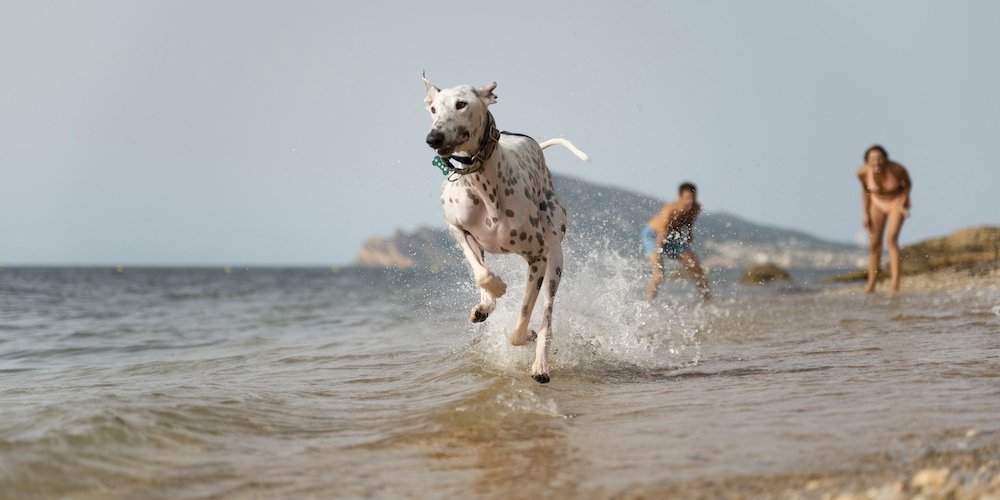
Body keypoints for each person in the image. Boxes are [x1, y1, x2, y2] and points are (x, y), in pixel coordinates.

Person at [856, 144, 912, 293]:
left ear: (886, 159)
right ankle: (871, 285)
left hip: (896, 201)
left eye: (880, 158)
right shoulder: (861, 172)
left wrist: (904, 201)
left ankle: (894, 285)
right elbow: (865, 191)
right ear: (867, 161)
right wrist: (865, 213)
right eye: (872, 159)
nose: (877, 162)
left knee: (891, 239)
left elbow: (908, 184)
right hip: (877, 202)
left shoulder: (897, 169)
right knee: (874, 244)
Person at [643, 182, 711, 303]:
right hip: (654, 236)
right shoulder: (670, 210)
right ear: (680, 198)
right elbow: (661, 234)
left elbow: (689, 222)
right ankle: (648, 304)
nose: (690, 201)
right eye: (687, 198)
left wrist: (689, 233)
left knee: (696, 267)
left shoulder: (696, 208)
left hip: (673, 237)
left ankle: (708, 302)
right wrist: (658, 256)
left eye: (692, 198)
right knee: (659, 275)